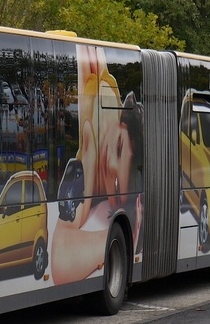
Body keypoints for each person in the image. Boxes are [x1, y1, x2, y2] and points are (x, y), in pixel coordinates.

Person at [51, 44, 143, 285]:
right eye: (120, 146)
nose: (109, 161)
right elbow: (87, 54)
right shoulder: (108, 87)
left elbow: (60, 260)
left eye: (115, 185)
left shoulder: (87, 168)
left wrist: (129, 237)